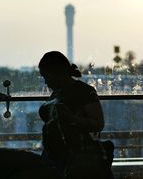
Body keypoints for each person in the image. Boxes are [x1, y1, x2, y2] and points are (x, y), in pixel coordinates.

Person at [38, 51, 110, 179]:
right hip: (58, 156)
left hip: (73, 157)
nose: (45, 82)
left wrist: (72, 119)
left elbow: (98, 124)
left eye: (46, 76)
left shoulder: (83, 91)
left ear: (56, 73)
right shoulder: (59, 92)